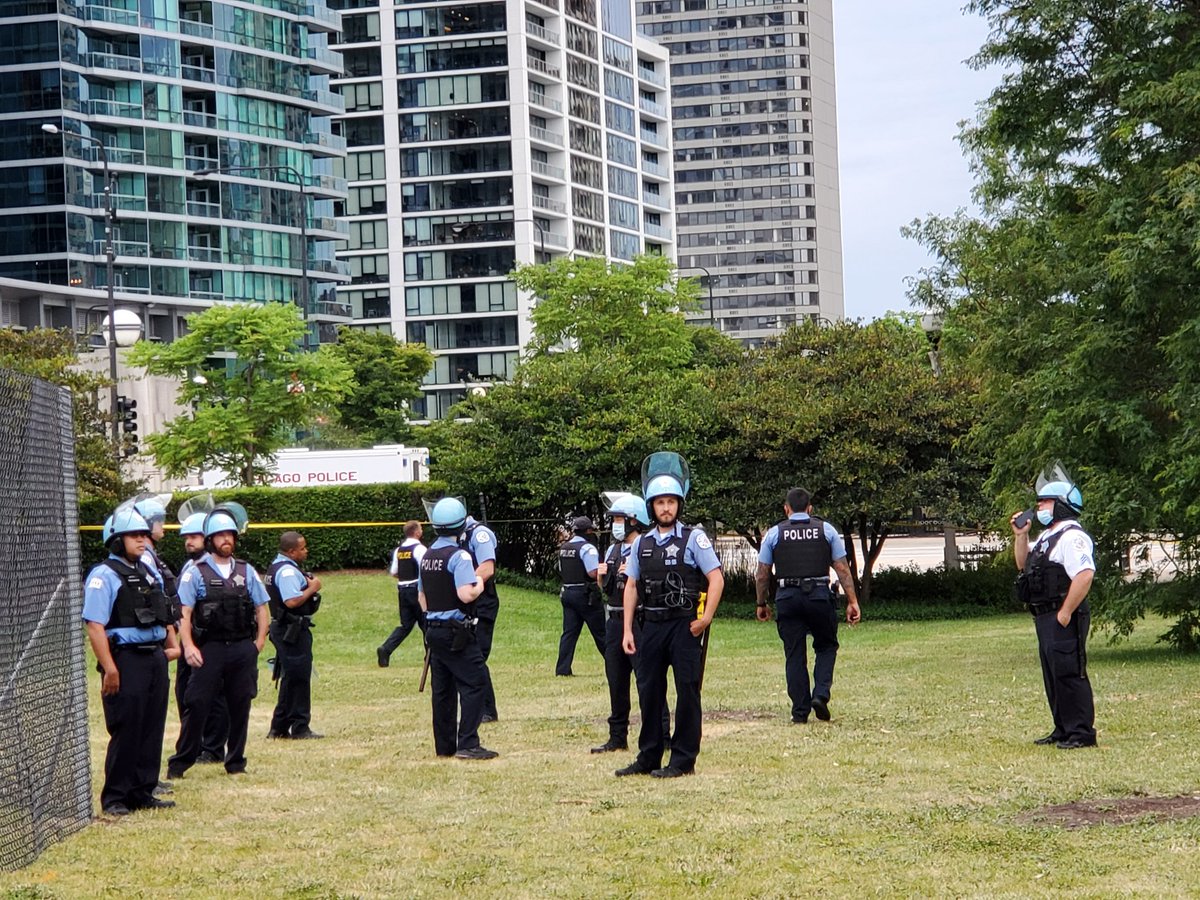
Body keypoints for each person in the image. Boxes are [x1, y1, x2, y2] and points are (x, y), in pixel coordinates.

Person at [616, 457, 723, 778]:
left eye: (671, 502)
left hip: (684, 626)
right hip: (651, 626)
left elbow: (716, 578)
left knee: (687, 690)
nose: (666, 508)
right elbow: (631, 585)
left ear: (679, 505)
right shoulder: (641, 544)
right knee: (649, 691)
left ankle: (682, 760)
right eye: (661, 502)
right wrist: (627, 630)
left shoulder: (694, 538)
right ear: (652, 507)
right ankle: (648, 755)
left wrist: (704, 620)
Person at [82, 507, 178, 816]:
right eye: (135, 536)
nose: (142, 541)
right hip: (125, 659)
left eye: (144, 535)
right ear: (116, 540)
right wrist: (110, 667)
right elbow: (95, 625)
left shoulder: (148, 573)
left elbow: (164, 617)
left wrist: (171, 646)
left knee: (152, 725)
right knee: (127, 726)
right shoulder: (104, 575)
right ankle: (115, 797)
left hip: (154, 657)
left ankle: (143, 790)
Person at [168, 508, 270, 778]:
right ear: (211, 540)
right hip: (209, 648)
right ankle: (181, 761)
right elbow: (184, 614)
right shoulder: (195, 573)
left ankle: (235, 761)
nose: (226, 540)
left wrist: (258, 643)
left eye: (230, 535)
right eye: (220, 535)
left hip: (241, 647)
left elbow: (262, 608)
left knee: (240, 703)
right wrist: (188, 646)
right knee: (197, 702)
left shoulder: (247, 571)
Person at [755, 488, 861, 724]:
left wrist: (761, 603)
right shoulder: (826, 530)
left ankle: (799, 712)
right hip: (819, 595)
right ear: (810, 509)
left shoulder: (775, 533)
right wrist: (852, 600)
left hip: (788, 598)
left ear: (786, 509)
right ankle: (821, 695)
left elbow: (762, 574)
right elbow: (842, 569)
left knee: (794, 654)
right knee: (826, 646)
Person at [1012, 473, 1097, 750]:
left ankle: (1081, 733)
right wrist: (1021, 537)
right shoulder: (1050, 536)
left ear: (1062, 505)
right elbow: (1024, 565)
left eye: (1045, 502)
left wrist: (1065, 612)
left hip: (1062, 614)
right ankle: (1062, 729)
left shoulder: (1072, 537)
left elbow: (1084, 574)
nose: (1039, 508)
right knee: (1053, 674)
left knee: (1070, 672)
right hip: (1044, 615)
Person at [419, 497, 497, 760]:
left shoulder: (427, 555)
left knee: (442, 690)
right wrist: (478, 583)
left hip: (433, 630)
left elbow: (422, 599)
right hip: (457, 631)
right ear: (461, 523)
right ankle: (468, 743)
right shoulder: (459, 556)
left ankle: (444, 746)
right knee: (474, 683)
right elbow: (466, 594)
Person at [591, 493, 667, 754]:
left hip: (638, 621)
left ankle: (661, 734)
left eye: (619, 519)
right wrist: (603, 579)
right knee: (616, 679)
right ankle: (617, 736)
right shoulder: (613, 549)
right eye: (614, 519)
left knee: (648, 680)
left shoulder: (647, 547)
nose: (615, 524)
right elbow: (609, 589)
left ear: (635, 521)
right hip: (613, 619)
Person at [172, 512, 230, 764]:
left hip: (205, 641)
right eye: (186, 537)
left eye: (194, 537)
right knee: (187, 692)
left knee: (213, 695)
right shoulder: (190, 566)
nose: (189, 542)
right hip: (190, 639)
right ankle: (192, 745)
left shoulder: (210, 567)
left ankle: (213, 747)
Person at [265, 531, 323, 739]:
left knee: (290, 678)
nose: (305, 551)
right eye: (302, 548)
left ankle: (279, 726)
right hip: (292, 630)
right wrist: (313, 588)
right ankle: (300, 726)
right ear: (291, 551)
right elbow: (292, 601)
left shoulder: (276, 567)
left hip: (286, 629)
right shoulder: (287, 572)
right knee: (298, 677)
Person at [459, 510, 501, 722]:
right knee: (468, 655)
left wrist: (465, 583)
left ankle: (486, 710)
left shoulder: (479, 533)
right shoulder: (456, 536)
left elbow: (487, 568)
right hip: (464, 601)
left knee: (477, 656)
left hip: (482, 601)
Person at [556, 515, 605, 676]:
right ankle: (615, 663)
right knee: (601, 632)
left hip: (567, 593)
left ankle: (562, 669)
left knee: (569, 633)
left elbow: (562, 570)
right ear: (588, 530)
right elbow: (592, 573)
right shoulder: (587, 548)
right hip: (585, 595)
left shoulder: (564, 548)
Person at [377, 520, 427, 667]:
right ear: (416, 532)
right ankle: (430, 657)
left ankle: (386, 649)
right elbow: (425, 569)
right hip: (416, 590)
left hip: (402, 590)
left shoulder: (400, 550)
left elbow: (394, 572)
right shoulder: (419, 549)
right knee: (426, 623)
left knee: (405, 625)